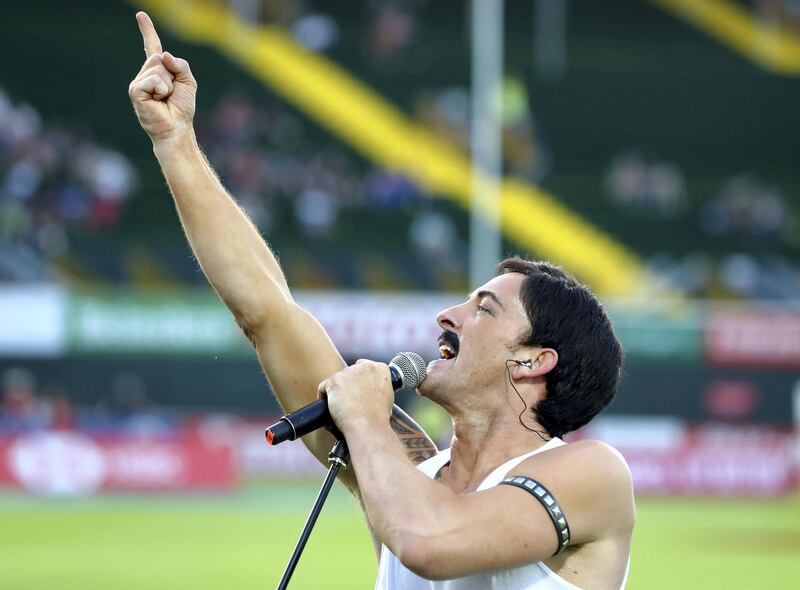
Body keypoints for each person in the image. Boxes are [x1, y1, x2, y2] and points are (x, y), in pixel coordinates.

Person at [129, 12, 634, 589]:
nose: (447, 316)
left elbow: (428, 542)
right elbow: (267, 311)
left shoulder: (592, 472)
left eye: (483, 309)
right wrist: (176, 143)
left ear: (532, 359)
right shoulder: (409, 470)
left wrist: (365, 417)